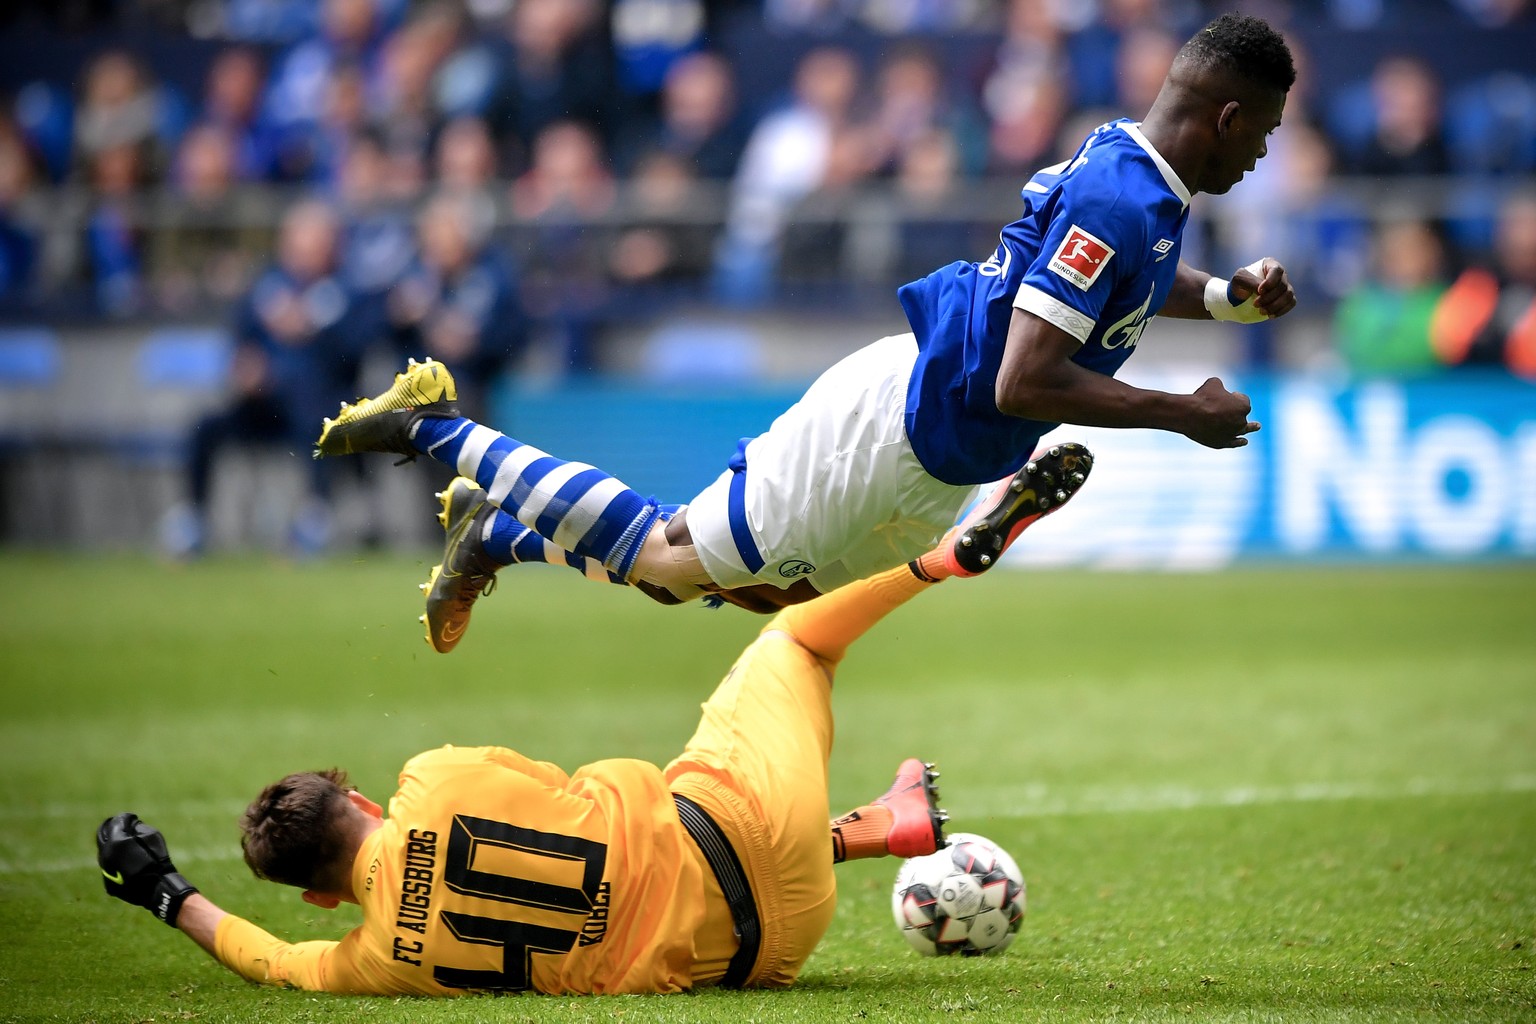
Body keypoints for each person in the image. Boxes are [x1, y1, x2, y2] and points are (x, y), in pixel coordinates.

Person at [316, 12, 1298, 653]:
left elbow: (1119, 294)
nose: (1262, 154)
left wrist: (1225, 303)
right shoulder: (1122, 201)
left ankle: (498, 535)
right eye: (1261, 133)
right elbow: (1021, 378)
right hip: (898, 425)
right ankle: (434, 428)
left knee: (744, 595)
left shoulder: (1135, 175)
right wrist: (1179, 411)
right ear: (1223, 115)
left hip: (938, 462)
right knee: (667, 557)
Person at [96, 552, 967, 995]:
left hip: (767, 952)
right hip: (740, 821)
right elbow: (562, 795)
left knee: (638, 865)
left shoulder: (379, 963)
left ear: (319, 897)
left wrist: (168, 893)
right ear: (358, 799)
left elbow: (274, 961)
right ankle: (948, 556)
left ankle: (870, 829)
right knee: (796, 637)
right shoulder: (430, 779)